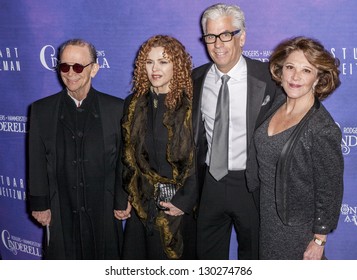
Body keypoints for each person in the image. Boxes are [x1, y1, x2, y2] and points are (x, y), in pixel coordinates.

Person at [192, 3, 280, 260]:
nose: (217, 44)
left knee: (253, 257)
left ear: (242, 37)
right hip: (210, 183)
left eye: (226, 34)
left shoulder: (269, 79)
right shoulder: (195, 79)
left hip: (251, 184)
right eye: (210, 36)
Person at [246, 36, 344, 259]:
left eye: (306, 70)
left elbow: (329, 188)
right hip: (268, 216)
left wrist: (319, 240)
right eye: (290, 67)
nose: (295, 76)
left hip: (298, 227)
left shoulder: (321, 127)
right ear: (281, 71)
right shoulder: (278, 102)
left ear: (318, 78)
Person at [28, 39, 126, 259]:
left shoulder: (117, 109)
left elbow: (123, 161)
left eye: (78, 67)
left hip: (104, 206)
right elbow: (36, 160)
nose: (70, 73)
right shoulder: (41, 110)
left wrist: (122, 200)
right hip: (60, 207)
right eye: (64, 66)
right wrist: (40, 204)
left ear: (94, 69)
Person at [116, 35, 197, 260]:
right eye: (149, 62)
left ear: (177, 66)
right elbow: (126, 155)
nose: (155, 69)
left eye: (163, 61)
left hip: (177, 209)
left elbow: (200, 159)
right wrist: (123, 197)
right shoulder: (133, 104)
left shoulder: (191, 106)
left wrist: (184, 201)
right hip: (142, 204)